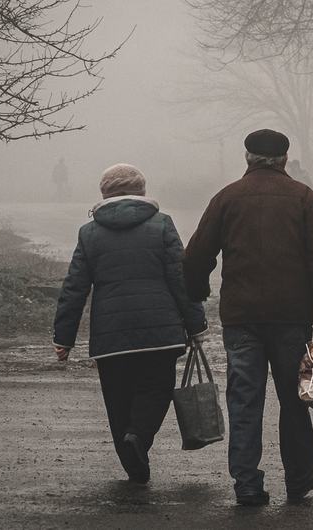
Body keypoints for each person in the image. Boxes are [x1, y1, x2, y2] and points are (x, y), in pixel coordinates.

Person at [184, 129, 313, 506]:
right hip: (291, 316)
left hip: (241, 317)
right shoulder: (305, 198)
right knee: (295, 398)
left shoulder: (227, 198)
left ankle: (247, 483)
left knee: (245, 399)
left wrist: (197, 293)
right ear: (285, 160)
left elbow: (195, 256)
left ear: (247, 158)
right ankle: (300, 477)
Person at [53, 163, 207, 484]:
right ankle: (139, 437)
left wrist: (63, 337)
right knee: (156, 390)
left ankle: (134, 464)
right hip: (159, 333)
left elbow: (75, 287)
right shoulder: (162, 225)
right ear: (141, 191)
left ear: (104, 193)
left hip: (111, 338)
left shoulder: (90, 232)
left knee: (118, 399)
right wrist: (196, 325)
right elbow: (181, 278)